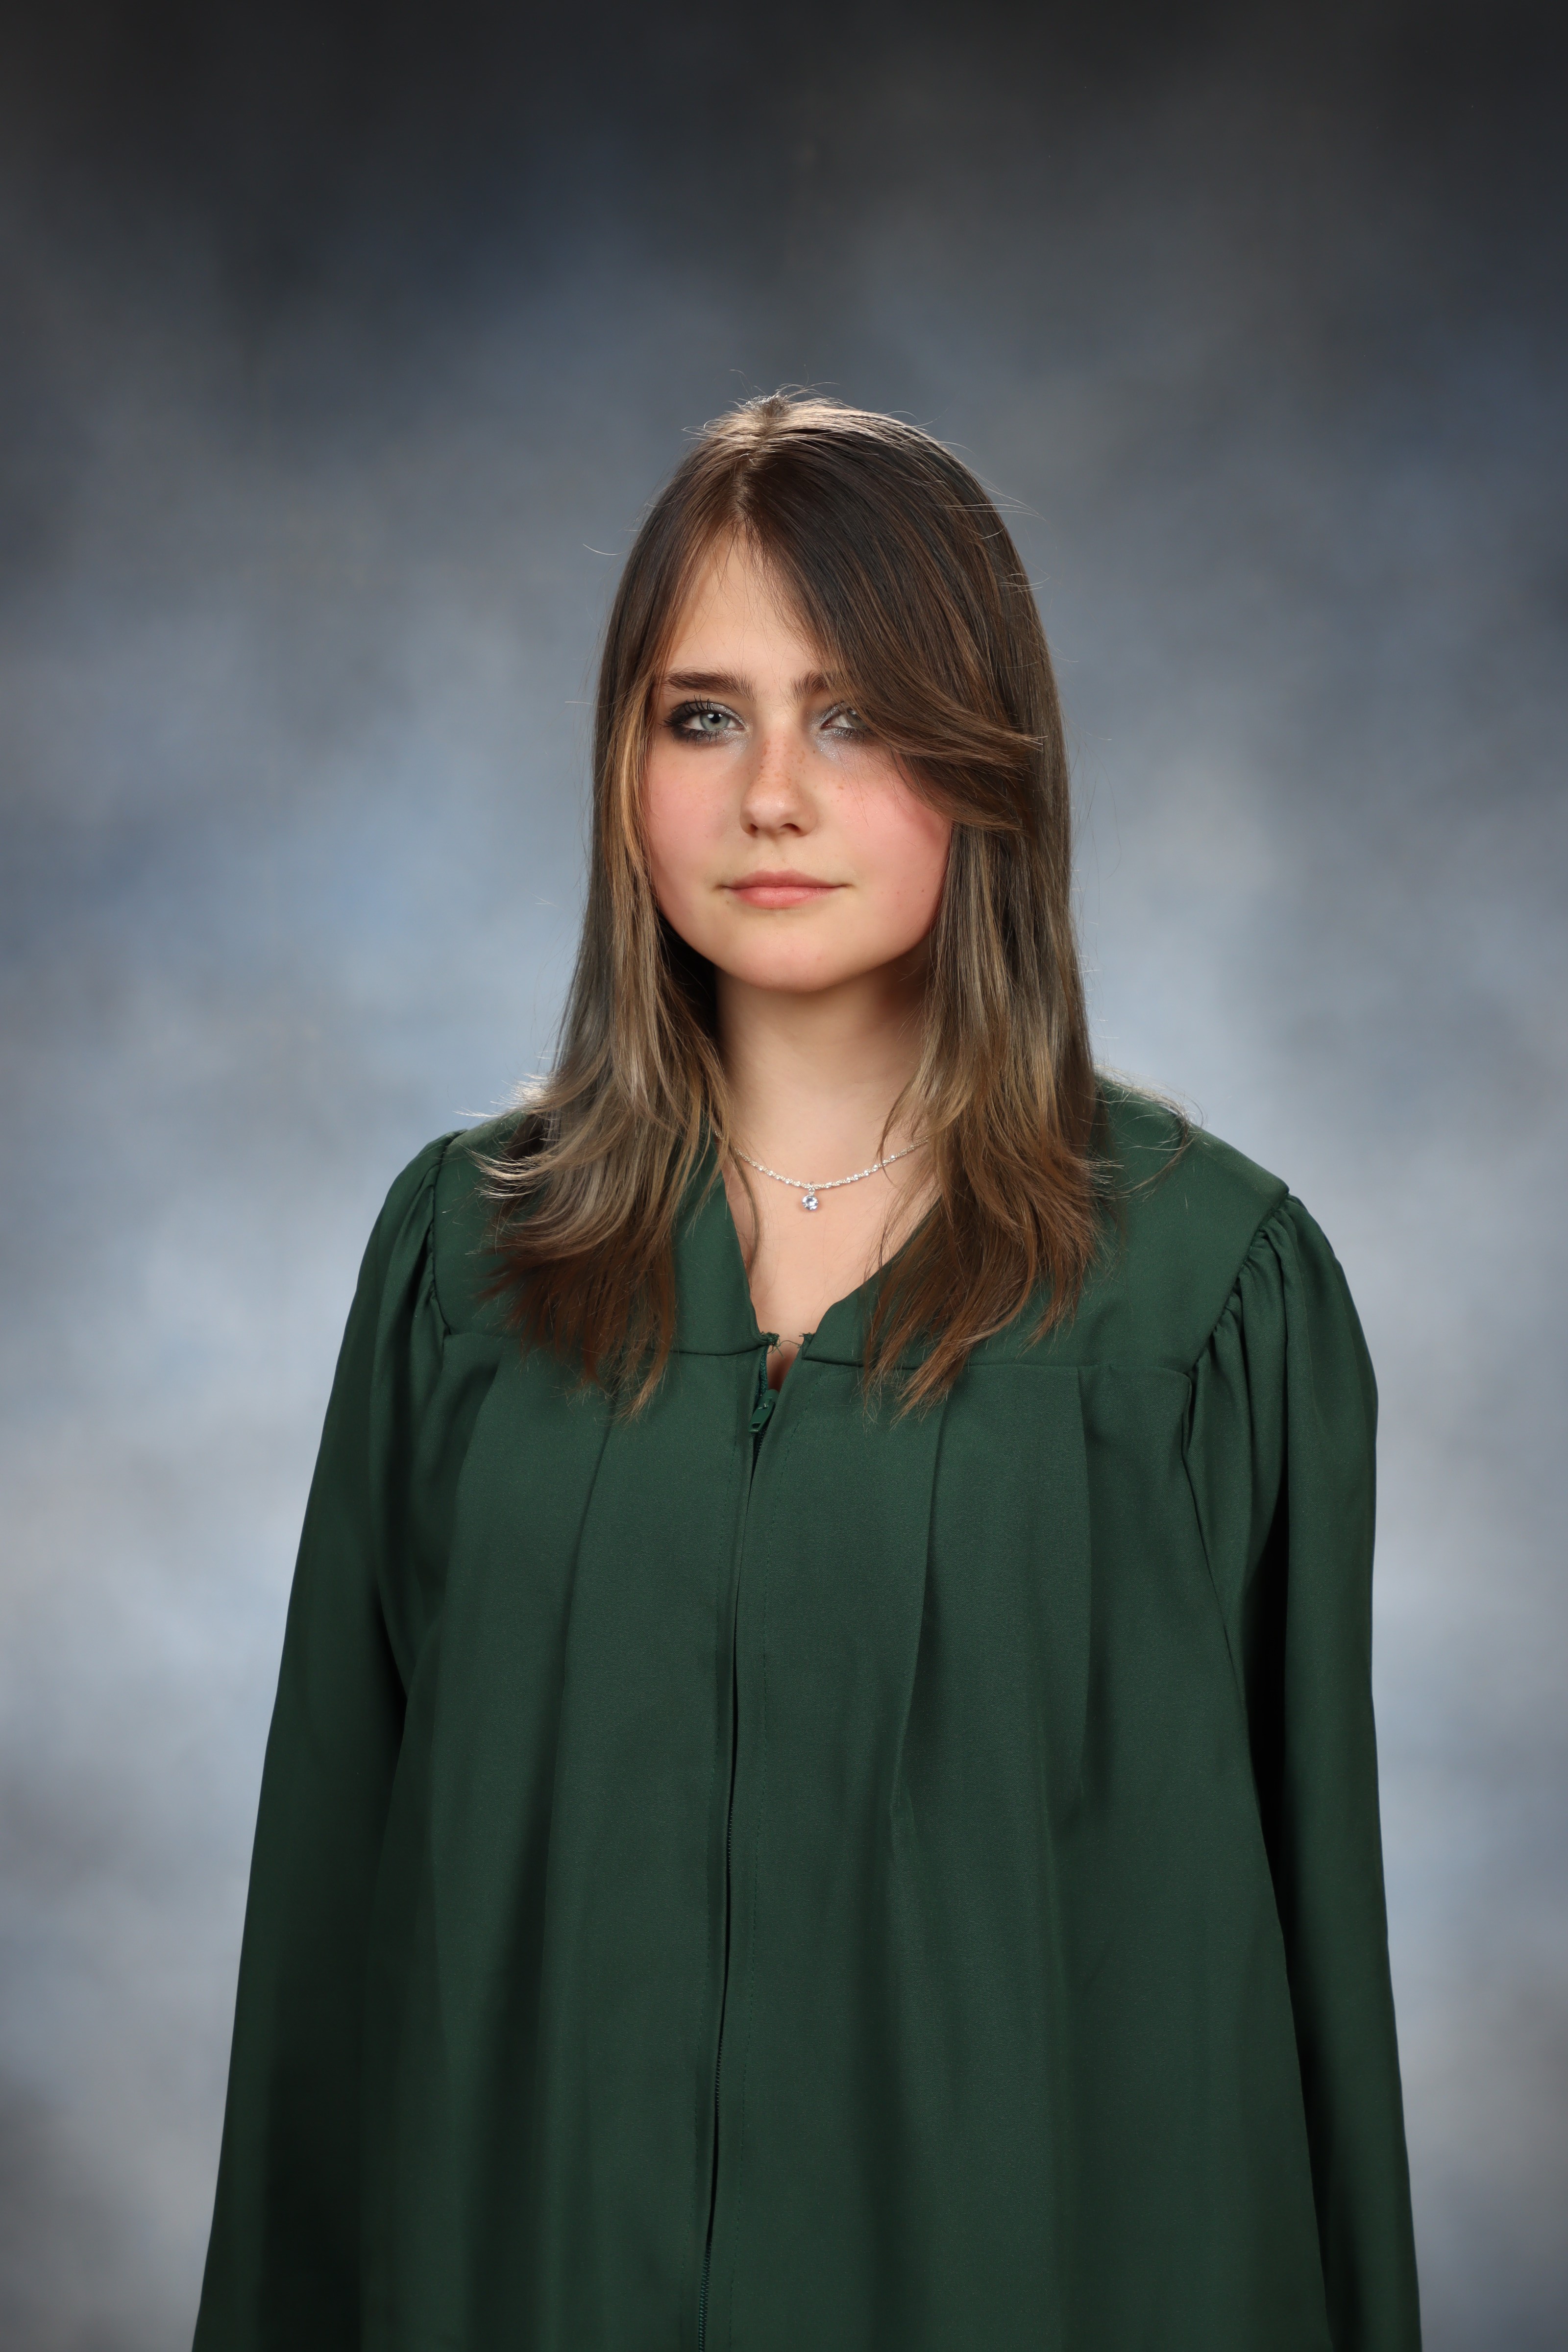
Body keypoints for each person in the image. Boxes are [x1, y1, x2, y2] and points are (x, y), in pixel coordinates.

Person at [193, 394, 1422, 2351]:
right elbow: (330, 1960)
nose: (770, 793)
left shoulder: (1205, 1305)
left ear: (984, 755)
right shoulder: (462, 1267)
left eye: (850, 718)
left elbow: (1300, 2005)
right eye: (703, 716)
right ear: (623, 768)